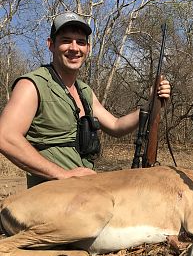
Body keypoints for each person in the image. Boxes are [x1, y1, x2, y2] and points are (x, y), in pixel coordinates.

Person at [0, 11, 171, 187]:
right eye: (66, 40)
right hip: (52, 196)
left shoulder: (84, 91)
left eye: (80, 42)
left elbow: (116, 126)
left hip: (84, 191)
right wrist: (62, 175)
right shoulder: (32, 85)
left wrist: (151, 104)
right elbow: (5, 136)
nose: (74, 48)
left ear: (87, 48)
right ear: (51, 45)